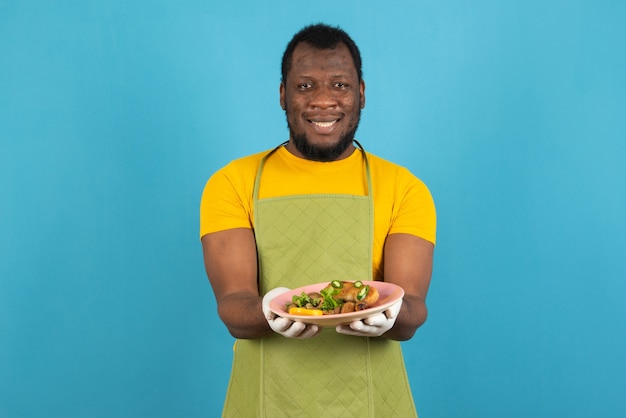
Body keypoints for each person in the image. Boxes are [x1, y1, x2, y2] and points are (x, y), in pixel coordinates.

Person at [200, 23, 436, 417]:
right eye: (305, 86)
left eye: (340, 85)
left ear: (361, 94)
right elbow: (233, 304)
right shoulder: (233, 183)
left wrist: (390, 315)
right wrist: (272, 311)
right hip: (265, 400)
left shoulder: (404, 187)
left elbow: (411, 309)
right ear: (283, 95)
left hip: (373, 403)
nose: (323, 100)